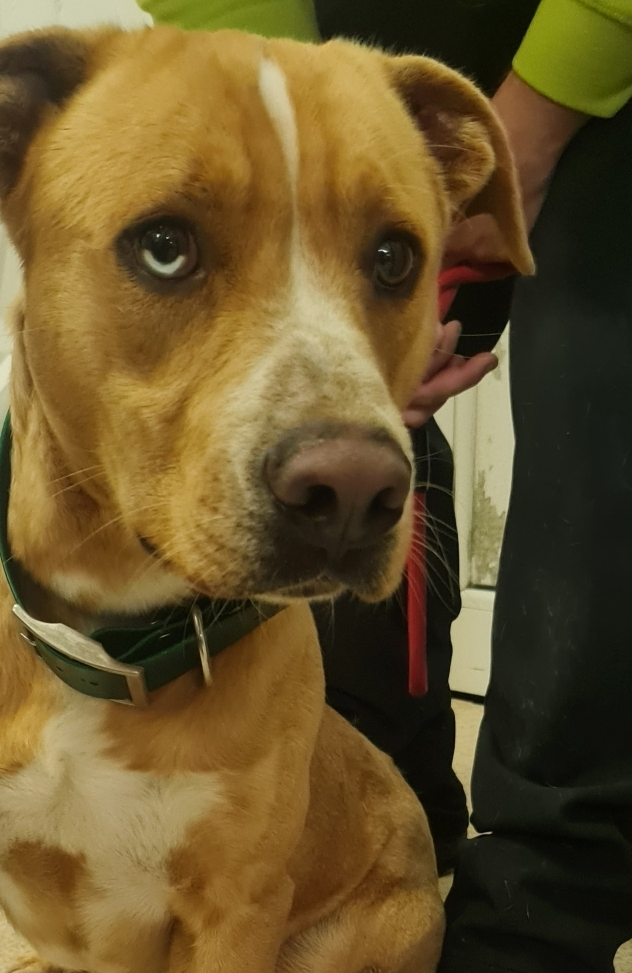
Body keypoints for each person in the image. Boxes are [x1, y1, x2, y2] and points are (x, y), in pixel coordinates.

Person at [137, 1, 632, 970]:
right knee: (355, 426)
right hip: (335, 62)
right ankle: (380, 806)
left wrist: (527, 134)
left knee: (596, 394)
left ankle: (544, 902)